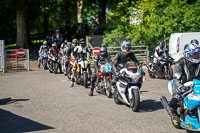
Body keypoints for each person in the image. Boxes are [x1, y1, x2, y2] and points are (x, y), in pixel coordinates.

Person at [168, 43, 200, 117]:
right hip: (184, 85)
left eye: (197, 54)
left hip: (196, 84)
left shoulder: (199, 63)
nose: (196, 56)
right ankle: (173, 112)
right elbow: (176, 79)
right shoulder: (180, 63)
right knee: (174, 102)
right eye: (194, 54)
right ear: (187, 54)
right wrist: (181, 87)